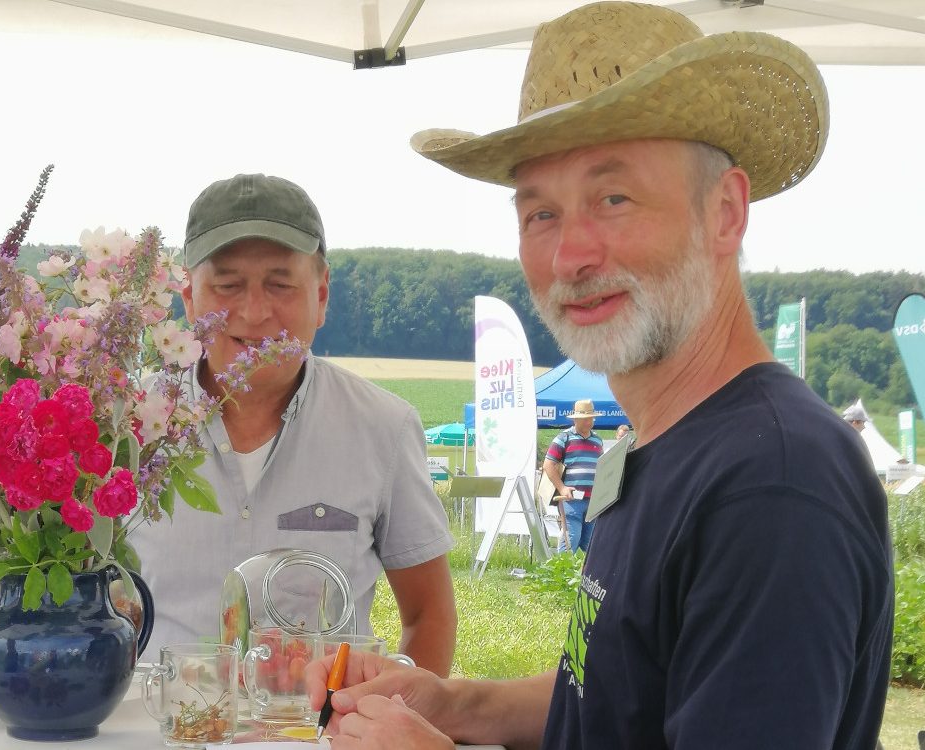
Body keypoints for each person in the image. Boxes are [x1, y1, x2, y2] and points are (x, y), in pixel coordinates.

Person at [306, 3, 894, 748]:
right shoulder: (659, 446)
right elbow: (614, 690)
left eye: (613, 199)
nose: (570, 256)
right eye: (540, 214)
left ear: (724, 211)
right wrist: (453, 705)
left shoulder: (772, 484)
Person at [136, 173, 457, 676]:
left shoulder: (384, 428)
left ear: (321, 295)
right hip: (158, 718)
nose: (254, 312)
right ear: (190, 299)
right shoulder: (123, 427)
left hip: (322, 721)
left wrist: (399, 711)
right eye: (228, 285)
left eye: (280, 284)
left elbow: (428, 613)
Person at [541, 399, 604, 552]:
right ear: (575, 419)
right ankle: (563, 567)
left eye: (591, 418)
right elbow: (548, 465)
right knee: (571, 538)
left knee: (591, 544)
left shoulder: (597, 440)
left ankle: (585, 569)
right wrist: (562, 488)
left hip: (593, 500)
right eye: (585, 419)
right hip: (571, 499)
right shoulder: (564, 438)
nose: (589, 422)